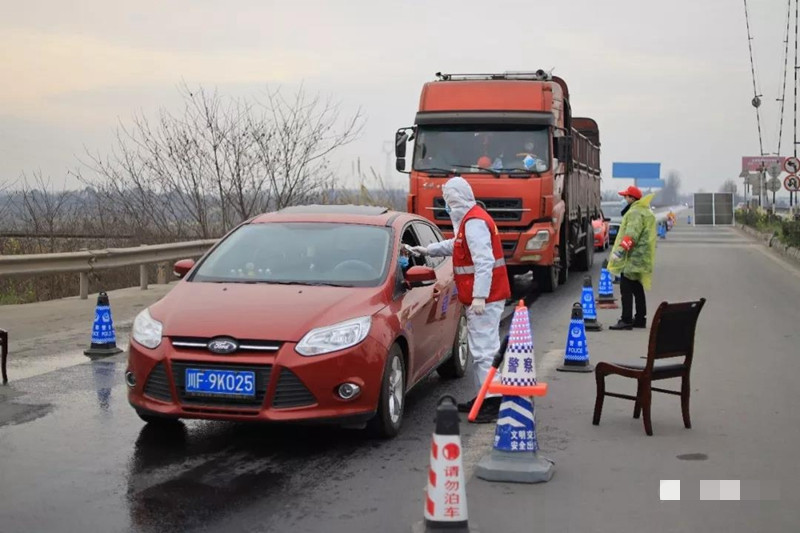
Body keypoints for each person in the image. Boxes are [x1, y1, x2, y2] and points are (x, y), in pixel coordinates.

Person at [410, 177, 511, 423]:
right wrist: (427, 250)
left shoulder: (474, 222)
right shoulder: (470, 219)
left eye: (448, 200)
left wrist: (479, 296)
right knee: (484, 349)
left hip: (485, 298)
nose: (447, 205)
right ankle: (484, 396)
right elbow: (456, 246)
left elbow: (484, 261)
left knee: (484, 351)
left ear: (455, 199)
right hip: (486, 297)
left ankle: (492, 401)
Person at [607, 185, 657, 330]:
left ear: (632, 198)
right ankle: (640, 318)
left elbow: (631, 235)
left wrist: (620, 251)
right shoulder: (644, 211)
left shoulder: (635, 212)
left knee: (626, 287)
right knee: (636, 287)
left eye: (626, 196)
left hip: (633, 256)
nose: (624, 199)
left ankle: (626, 319)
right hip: (641, 256)